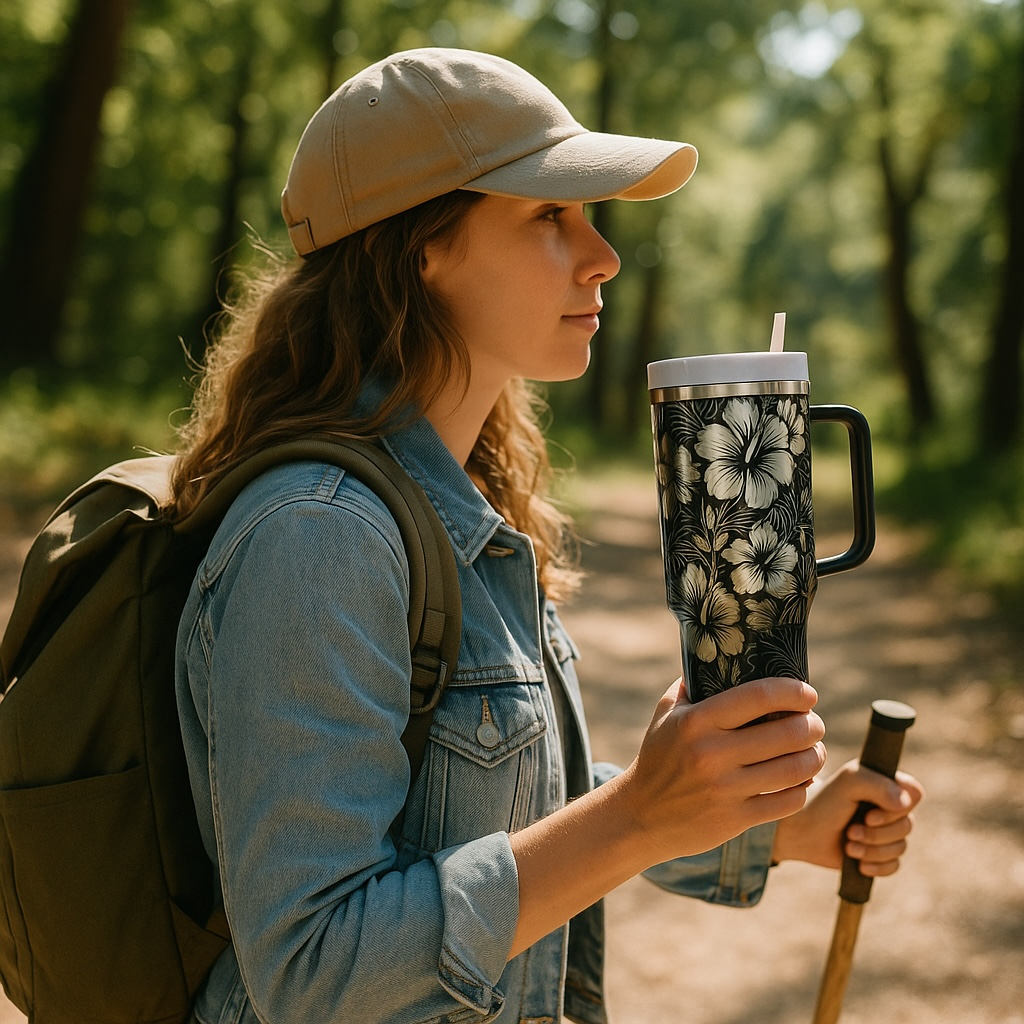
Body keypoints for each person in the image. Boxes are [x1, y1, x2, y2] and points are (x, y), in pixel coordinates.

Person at [170, 48, 924, 1024]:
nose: (602, 251)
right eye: (548, 214)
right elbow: (315, 969)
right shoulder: (320, 535)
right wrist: (638, 814)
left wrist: (760, 828)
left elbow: (499, 807)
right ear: (421, 249)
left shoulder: (451, 502)